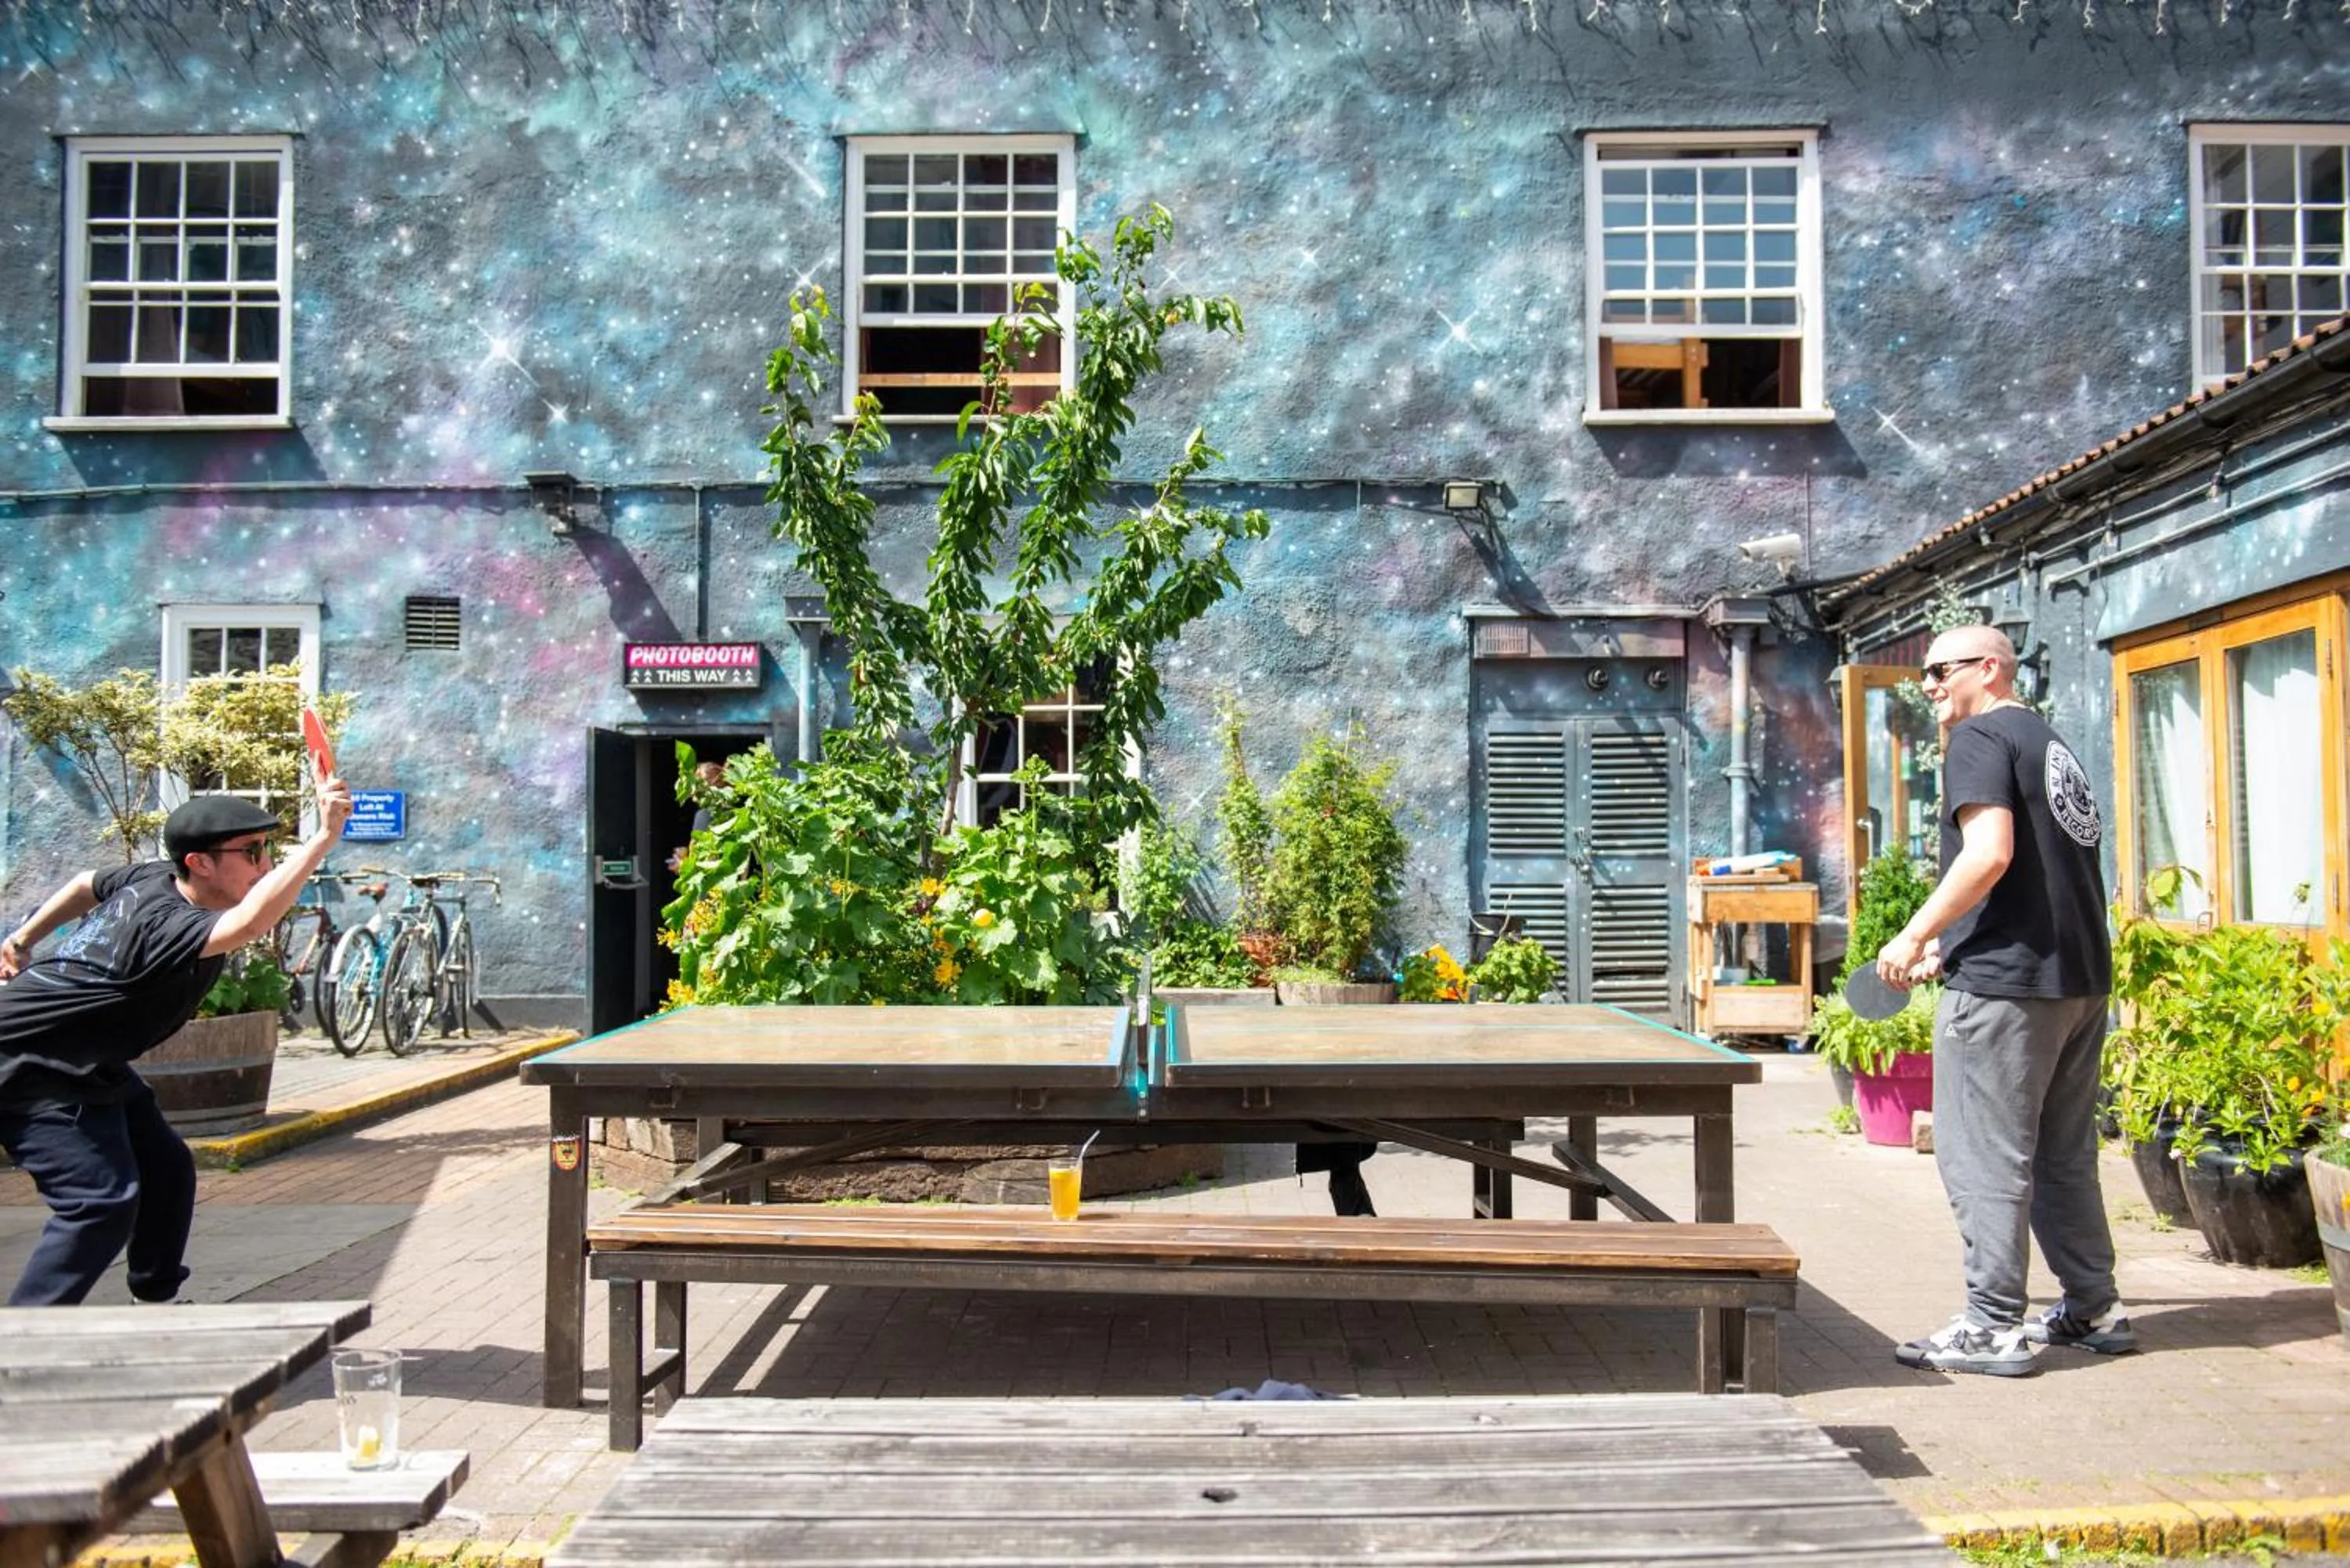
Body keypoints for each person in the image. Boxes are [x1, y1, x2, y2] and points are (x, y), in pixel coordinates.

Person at [1873, 625, 2131, 1377]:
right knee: (2061, 1156)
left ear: (1989, 668)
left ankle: (1991, 1326)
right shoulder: (2049, 744)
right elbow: (2040, 878)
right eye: (1923, 674)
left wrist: (1910, 933)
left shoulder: (1979, 738)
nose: (1927, 685)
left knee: (1984, 1155)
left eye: (1939, 670)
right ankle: (2094, 1309)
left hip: (2008, 993)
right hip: (2076, 982)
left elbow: (1990, 855)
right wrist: (1947, 947)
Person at [0, 782, 353, 1305]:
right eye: (252, 852)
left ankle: (156, 1301)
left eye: (267, 850)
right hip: (30, 1062)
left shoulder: (153, 878)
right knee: (97, 1202)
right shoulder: (170, 923)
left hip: (88, 1056)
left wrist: (20, 939)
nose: (264, 864)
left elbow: (83, 883)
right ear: (200, 863)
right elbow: (251, 922)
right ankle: (20, 1346)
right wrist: (321, 841)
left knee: (165, 1169)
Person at [668, 758, 728, 873]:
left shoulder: (705, 816)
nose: (693, 798)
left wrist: (682, 865)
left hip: (714, 887)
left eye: (695, 791)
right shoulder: (738, 810)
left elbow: (703, 864)